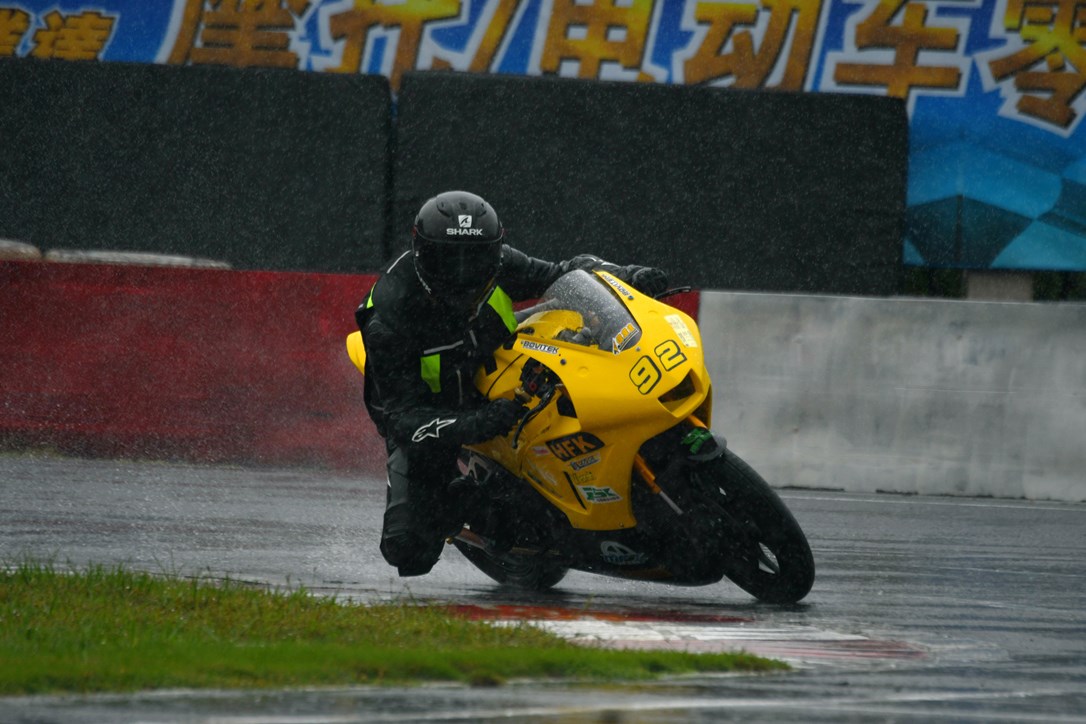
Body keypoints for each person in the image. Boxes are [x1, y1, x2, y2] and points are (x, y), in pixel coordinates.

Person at [355, 190, 668, 577]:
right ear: (421, 254)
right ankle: (482, 513)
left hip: (492, 361)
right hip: (431, 406)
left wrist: (627, 276)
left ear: (495, 251)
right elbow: (400, 419)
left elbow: (564, 274)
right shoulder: (390, 317)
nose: (464, 273)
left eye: (476, 259)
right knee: (407, 550)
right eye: (447, 260)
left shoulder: (501, 263)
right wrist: (474, 424)